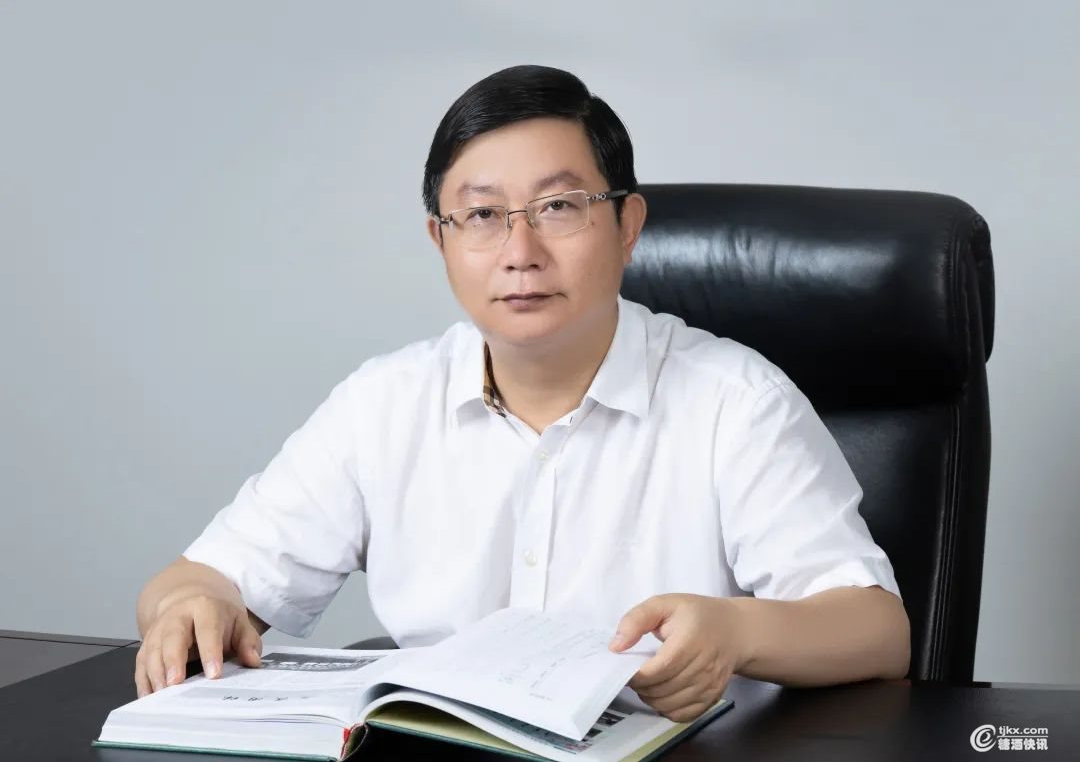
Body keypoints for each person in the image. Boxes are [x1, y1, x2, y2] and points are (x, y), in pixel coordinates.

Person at [135, 65, 910, 722]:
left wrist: (736, 630)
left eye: (559, 207)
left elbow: (878, 630)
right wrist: (189, 608)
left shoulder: (735, 402)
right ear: (441, 239)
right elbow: (193, 582)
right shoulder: (383, 405)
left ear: (628, 223)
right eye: (481, 215)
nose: (520, 252)